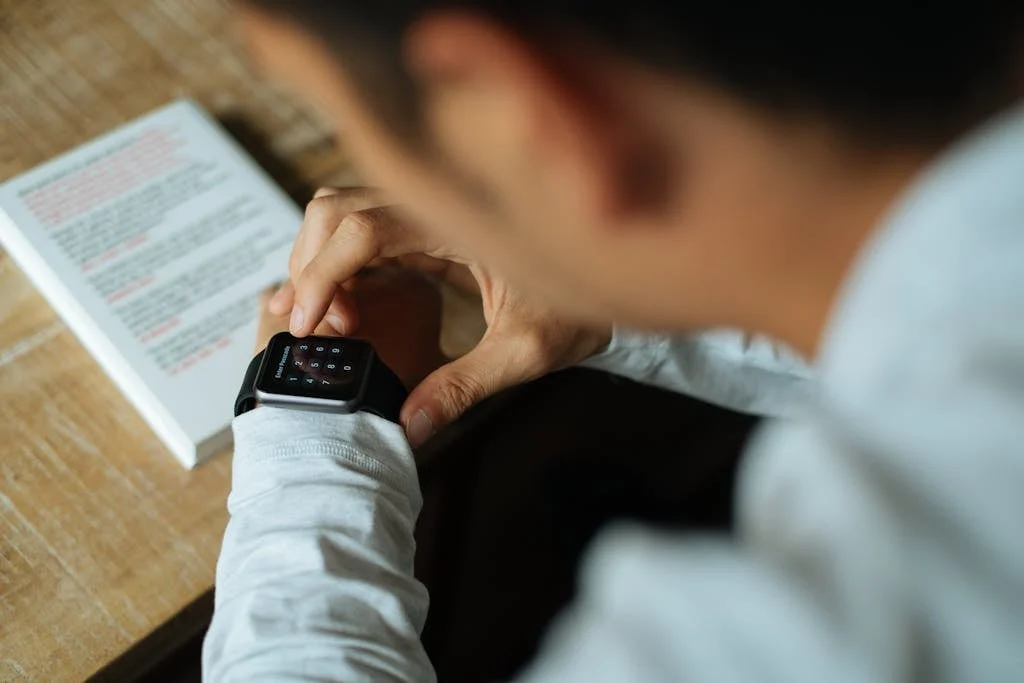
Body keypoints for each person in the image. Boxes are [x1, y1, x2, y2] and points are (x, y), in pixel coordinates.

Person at [203, 1, 1024, 681]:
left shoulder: (828, 628)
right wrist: (581, 273)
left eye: (337, 114)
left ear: (525, 112)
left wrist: (311, 429)